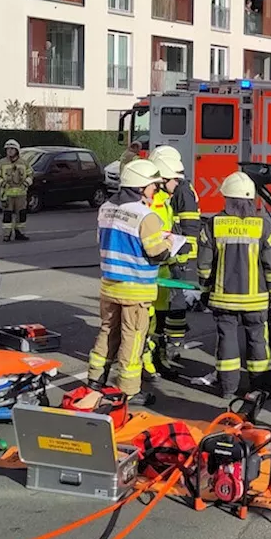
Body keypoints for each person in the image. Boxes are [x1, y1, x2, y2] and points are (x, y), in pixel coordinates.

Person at [89, 159, 176, 406]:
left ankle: (95, 380)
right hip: (136, 289)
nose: (156, 191)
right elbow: (157, 252)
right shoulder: (145, 215)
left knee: (107, 330)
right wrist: (169, 243)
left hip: (109, 284)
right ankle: (128, 390)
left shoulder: (105, 208)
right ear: (141, 188)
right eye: (153, 186)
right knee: (133, 337)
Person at [197, 171, 271, 400]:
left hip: (223, 298)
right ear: (251, 199)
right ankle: (262, 388)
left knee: (227, 340)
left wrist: (205, 288)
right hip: (256, 300)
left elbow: (204, 265)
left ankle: (228, 389)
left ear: (227, 198)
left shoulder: (214, 224)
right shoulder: (263, 226)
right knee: (258, 341)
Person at [150, 149, 200, 373]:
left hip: (174, 260)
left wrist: (179, 255)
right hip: (163, 263)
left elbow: (188, 228)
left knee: (172, 304)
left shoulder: (180, 194)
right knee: (162, 312)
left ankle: (170, 346)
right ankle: (164, 349)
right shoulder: (166, 196)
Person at [0, 140, 33, 242]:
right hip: (7, 195)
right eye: (8, 149)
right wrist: (2, 183)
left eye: (12, 149)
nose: (9, 151)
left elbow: (31, 175)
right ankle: (7, 234)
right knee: (7, 215)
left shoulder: (24, 163)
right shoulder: (1, 163)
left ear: (17, 150)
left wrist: (26, 183)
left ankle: (19, 233)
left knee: (21, 215)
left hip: (21, 195)